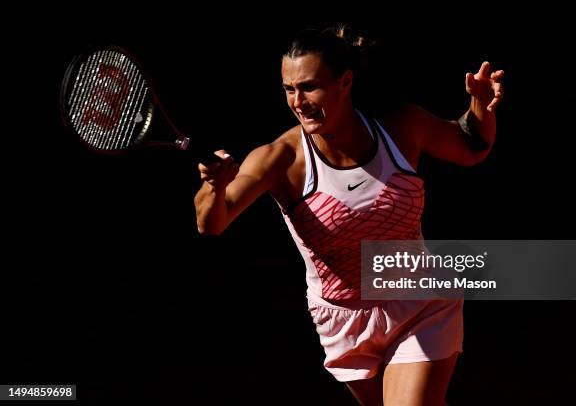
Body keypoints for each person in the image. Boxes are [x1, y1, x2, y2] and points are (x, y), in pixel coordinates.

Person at [194, 25, 503, 405]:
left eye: (309, 87)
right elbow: (213, 223)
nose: (298, 101)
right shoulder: (281, 158)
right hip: (343, 320)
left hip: (419, 300)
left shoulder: (400, 126)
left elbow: (471, 147)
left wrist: (479, 107)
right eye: (289, 89)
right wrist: (215, 186)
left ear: (346, 81)